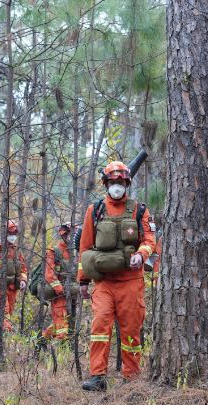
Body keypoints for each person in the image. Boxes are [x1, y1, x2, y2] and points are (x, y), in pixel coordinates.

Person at [77, 160, 155, 391]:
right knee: (100, 325)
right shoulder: (96, 210)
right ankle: (97, 375)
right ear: (106, 183)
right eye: (113, 181)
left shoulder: (140, 209)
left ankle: (132, 377)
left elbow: (150, 240)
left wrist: (141, 254)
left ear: (127, 182)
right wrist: (83, 280)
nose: (117, 185)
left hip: (131, 281)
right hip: (104, 282)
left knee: (131, 329)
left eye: (120, 181)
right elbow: (85, 246)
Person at [0, 220, 28, 331]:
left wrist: (23, 280)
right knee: (4, 311)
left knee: (9, 311)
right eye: (10, 234)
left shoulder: (17, 250)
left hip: (12, 288)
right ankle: (7, 332)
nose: (12, 237)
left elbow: (23, 268)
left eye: (14, 234)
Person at [42, 223, 73, 341]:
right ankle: (62, 349)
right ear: (64, 235)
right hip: (59, 294)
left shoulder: (75, 252)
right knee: (61, 323)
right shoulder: (54, 251)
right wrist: (60, 289)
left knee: (60, 323)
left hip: (72, 294)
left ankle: (41, 341)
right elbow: (49, 274)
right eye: (69, 234)